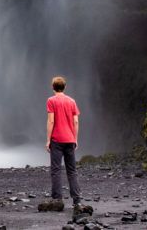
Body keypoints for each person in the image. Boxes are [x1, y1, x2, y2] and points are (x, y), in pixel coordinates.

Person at [45, 76, 82, 207]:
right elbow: (76, 121)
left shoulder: (51, 101)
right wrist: (75, 139)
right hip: (70, 140)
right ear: (65, 87)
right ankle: (77, 200)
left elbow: (51, 121)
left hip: (56, 139)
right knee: (72, 170)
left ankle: (57, 199)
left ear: (53, 87)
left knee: (56, 170)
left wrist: (48, 139)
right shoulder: (72, 101)